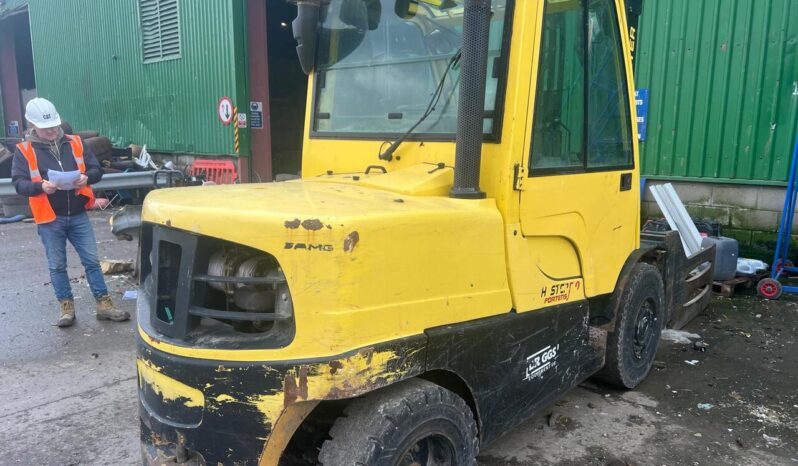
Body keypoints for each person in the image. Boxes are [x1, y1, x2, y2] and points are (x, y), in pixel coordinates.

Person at [11, 98, 130, 327]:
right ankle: (66, 307)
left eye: (54, 126)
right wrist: (40, 187)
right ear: (32, 125)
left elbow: (96, 169)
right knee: (57, 265)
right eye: (46, 128)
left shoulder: (75, 143)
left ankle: (104, 304)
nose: (51, 131)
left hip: (77, 214)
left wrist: (88, 177)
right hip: (49, 217)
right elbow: (19, 183)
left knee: (92, 261)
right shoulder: (24, 151)